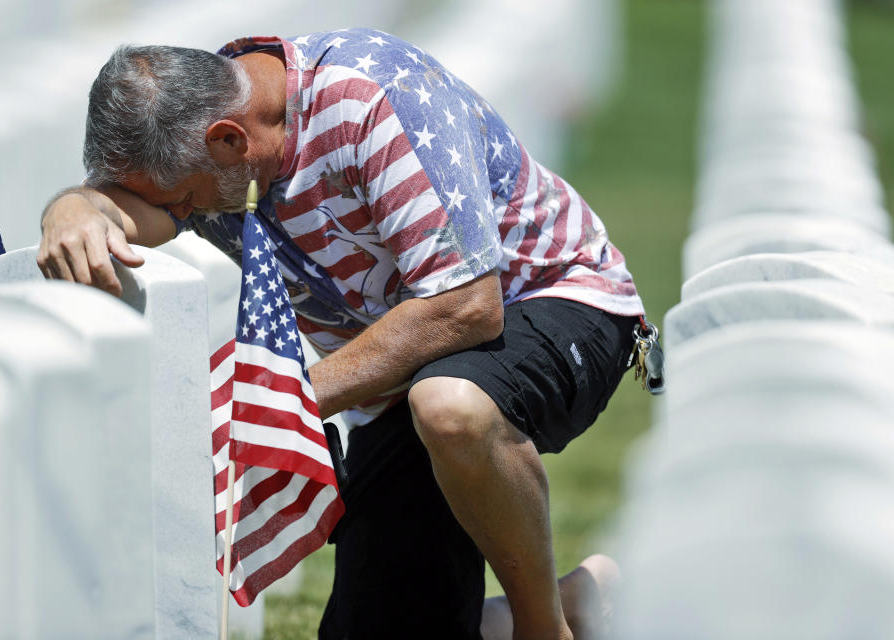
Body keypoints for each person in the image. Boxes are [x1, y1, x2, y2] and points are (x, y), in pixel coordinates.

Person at [38, 28, 643, 639]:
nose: (184, 218)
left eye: (188, 202)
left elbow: (467, 304)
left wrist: (282, 404)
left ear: (228, 141)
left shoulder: (375, 103)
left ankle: (543, 628)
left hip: (550, 299)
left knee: (450, 405)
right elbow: (124, 208)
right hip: (403, 372)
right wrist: (72, 208)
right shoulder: (206, 137)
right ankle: (578, 601)